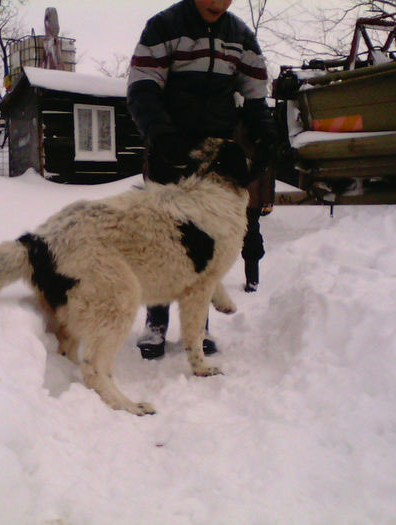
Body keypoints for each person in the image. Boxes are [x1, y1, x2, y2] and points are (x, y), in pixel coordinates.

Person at [127, 0, 277, 359]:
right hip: (170, 147)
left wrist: (268, 137)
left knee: (205, 242)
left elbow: (256, 97)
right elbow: (142, 87)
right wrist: (160, 134)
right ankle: (157, 321)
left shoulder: (240, 36)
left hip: (215, 155)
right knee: (164, 239)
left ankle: (200, 324)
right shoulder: (164, 27)